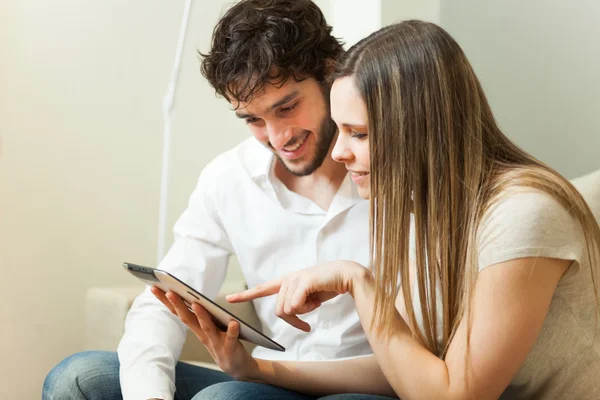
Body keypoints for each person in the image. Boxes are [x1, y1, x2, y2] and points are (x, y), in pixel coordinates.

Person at [200, 20, 600, 399]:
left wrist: (358, 282)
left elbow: (455, 394)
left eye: (359, 134)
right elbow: (406, 374)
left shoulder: (522, 214)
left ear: (424, 127)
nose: (339, 153)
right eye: (340, 130)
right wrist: (255, 369)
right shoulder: (421, 213)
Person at [42, 1, 396, 399]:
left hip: (364, 387)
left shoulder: (397, 173)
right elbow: (166, 298)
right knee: (78, 378)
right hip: (268, 380)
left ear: (330, 71)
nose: (278, 138)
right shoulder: (230, 178)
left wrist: (258, 371)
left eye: (287, 107)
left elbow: (425, 357)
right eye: (253, 120)